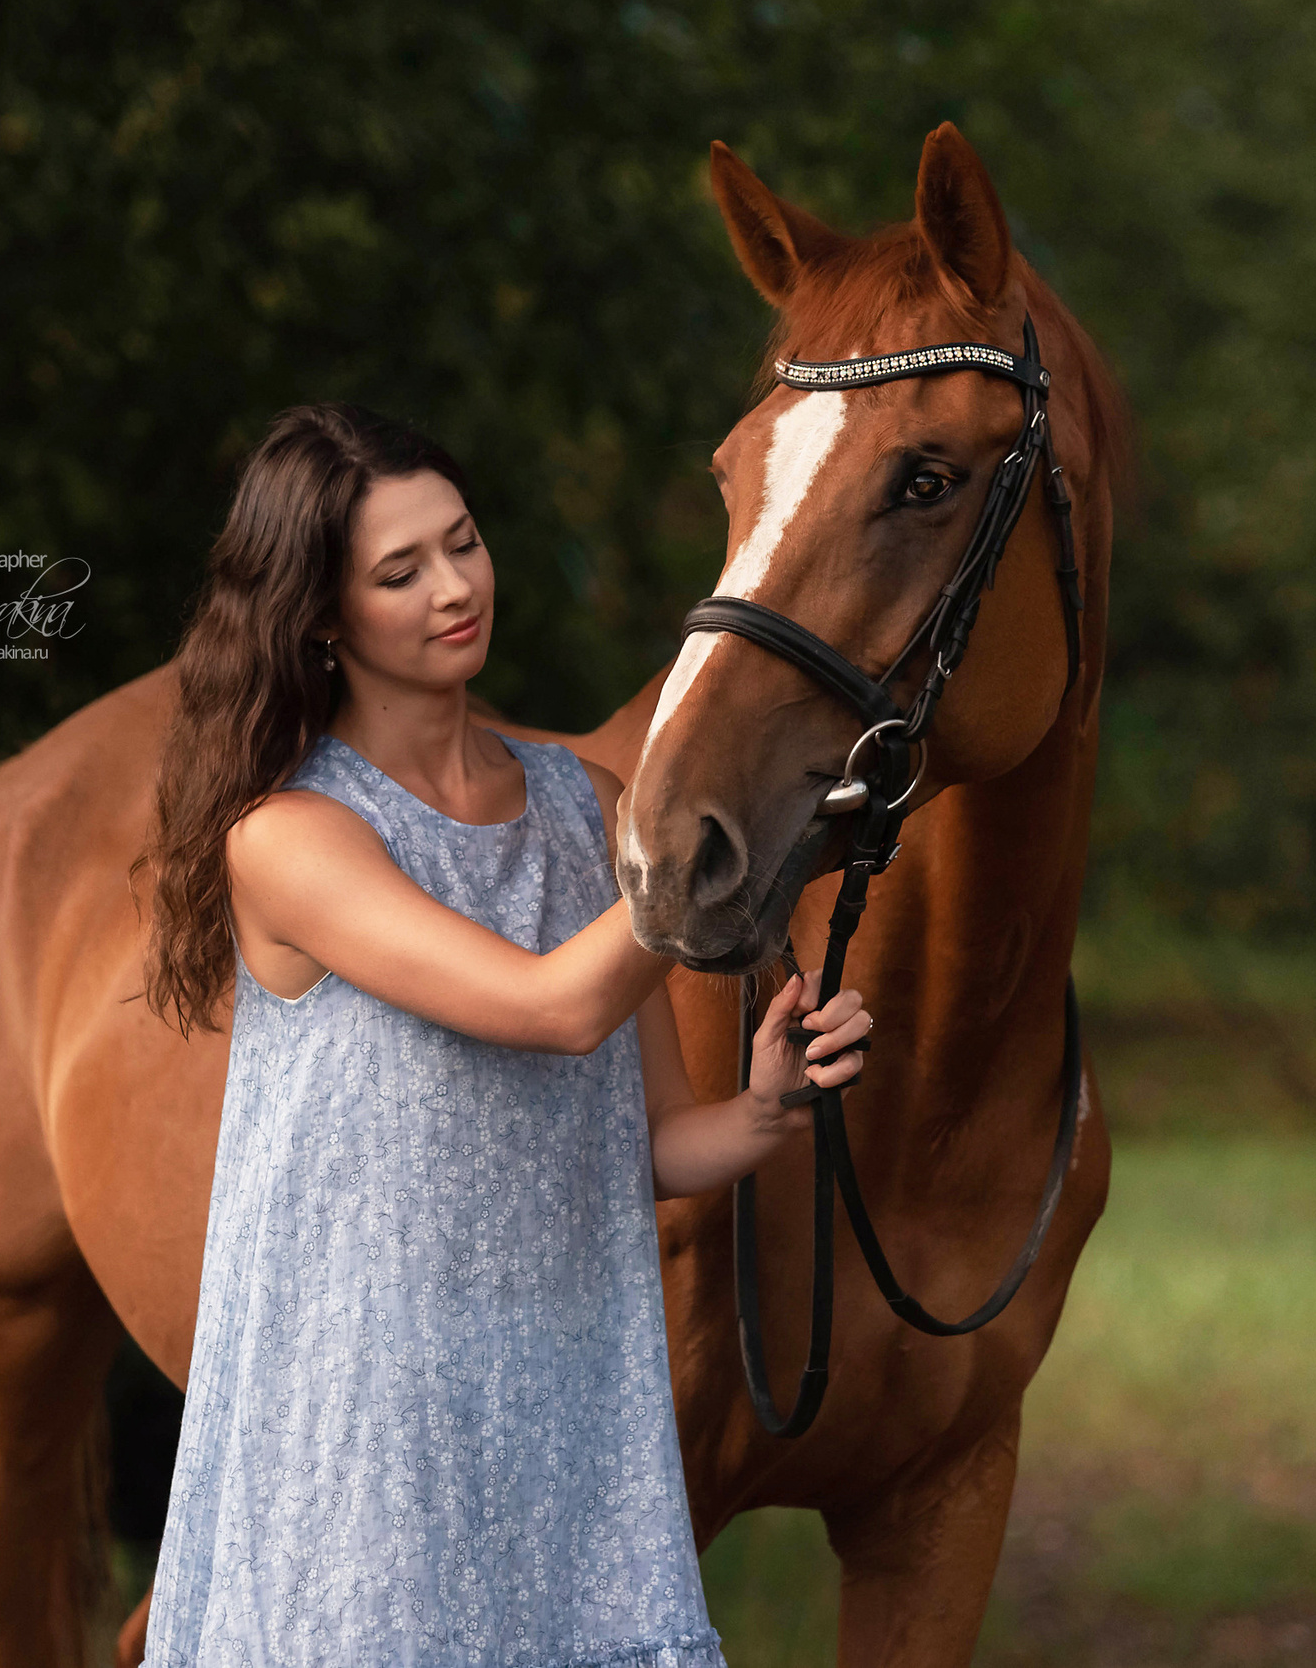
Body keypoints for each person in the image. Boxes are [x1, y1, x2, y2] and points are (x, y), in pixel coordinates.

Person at [136, 403, 868, 1668]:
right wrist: (728, 834)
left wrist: (765, 1102)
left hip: (572, 1403)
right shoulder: (292, 839)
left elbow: (645, 1144)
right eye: (398, 571)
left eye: (462, 542)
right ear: (321, 614)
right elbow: (551, 1007)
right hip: (371, 1433)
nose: (452, 587)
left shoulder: (587, 811)